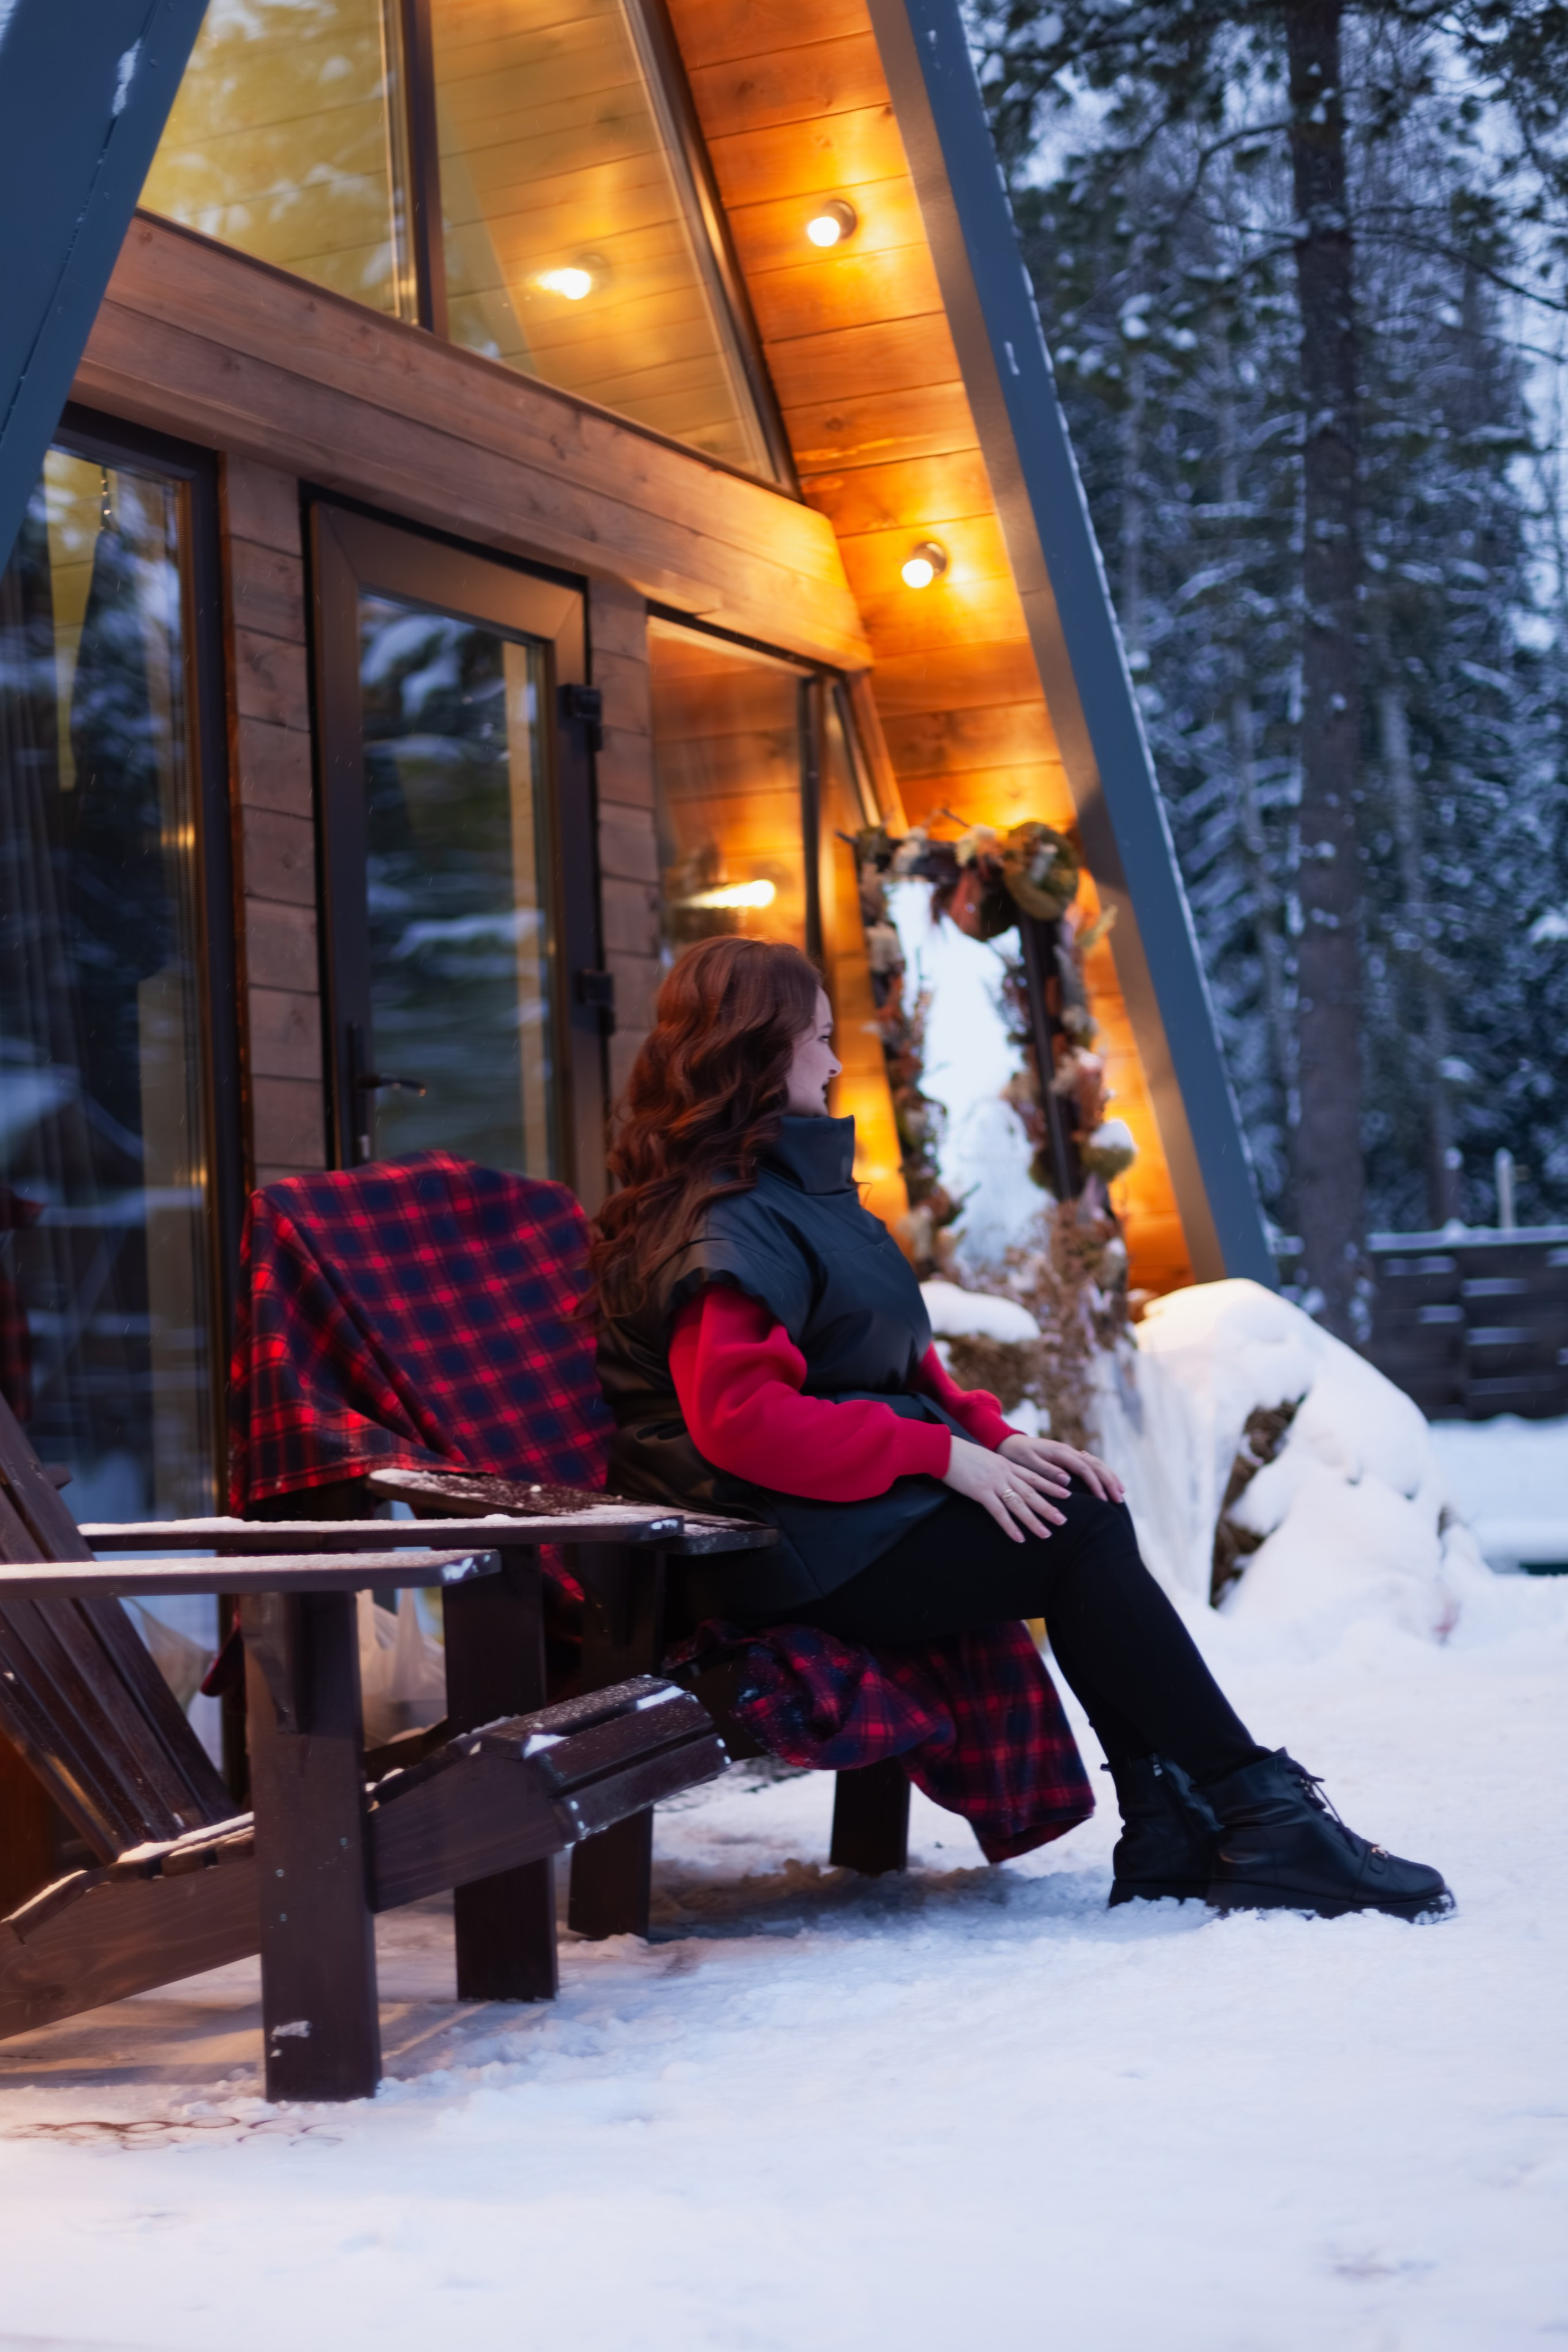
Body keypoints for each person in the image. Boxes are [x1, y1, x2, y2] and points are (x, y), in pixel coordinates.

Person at [592, 936, 1450, 1920]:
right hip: (763, 1546)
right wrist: (939, 1454)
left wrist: (990, 1436)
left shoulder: (795, 1196)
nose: (835, 1064)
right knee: (1075, 1534)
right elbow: (743, 1424)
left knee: (1076, 1505)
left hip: (826, 1519)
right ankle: (1256, 1812)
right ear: (753, 1050)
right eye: (819, 1040)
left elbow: (889, 1359)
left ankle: (1178, 1823)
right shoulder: (725, 1223)